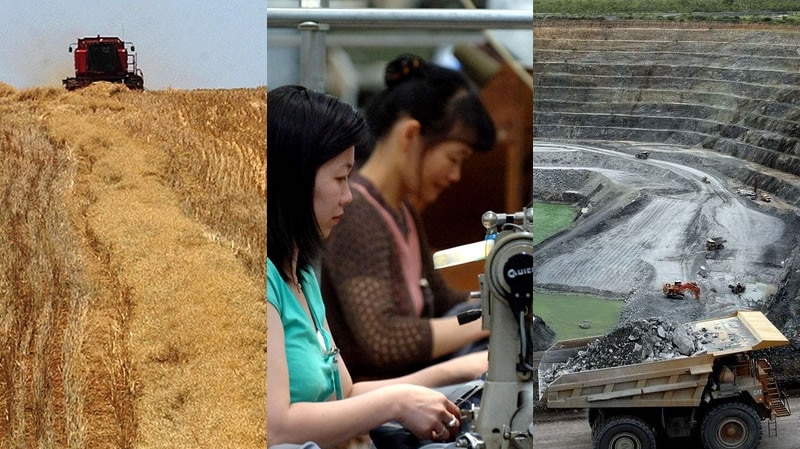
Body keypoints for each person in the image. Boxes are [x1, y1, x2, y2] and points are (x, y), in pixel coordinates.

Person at [267, 85, 485, 449]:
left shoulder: (301, 275)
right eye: (339, 178)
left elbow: (344, 394)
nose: (347, 196)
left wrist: (461, 371)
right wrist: (398, 400)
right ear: (295, 178)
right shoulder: (259, 281)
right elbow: (277, 428)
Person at [320, 54, 497, 381]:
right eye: (454, 158)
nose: (455, 175)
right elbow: (383, 340)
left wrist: (500, 299)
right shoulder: (355, 211)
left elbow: (444, 303)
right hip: (378, 409)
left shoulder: (402, 211)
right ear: (410, 135)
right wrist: (496, 318)